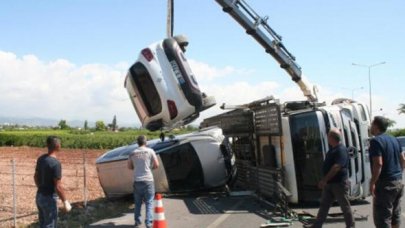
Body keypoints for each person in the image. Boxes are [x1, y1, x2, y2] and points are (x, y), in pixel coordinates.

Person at [304, 128, 354, 228]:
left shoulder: (341, 149)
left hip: (339, 183)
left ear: (331, 138)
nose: (327, 138)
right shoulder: (333, 149)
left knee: (345, 206)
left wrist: (324, 180)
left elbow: (337, 167)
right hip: (330, 184)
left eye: (328, 136)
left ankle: (351, 226)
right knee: (324, 205)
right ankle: (317, 225)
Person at [369, 116, 404, 228]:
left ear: (376, 126)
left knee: (383, 218)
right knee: (395, 216)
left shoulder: (375, 141)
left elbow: (378, 164)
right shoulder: (394, 139)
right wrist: (398, 175)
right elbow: (403, 159)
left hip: (385, 185)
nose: (370, 126)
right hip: (397, 182)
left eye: (372, 124)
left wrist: (372, 182)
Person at [34, 136, 71, 228]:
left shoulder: (41, 159)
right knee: (50, 225)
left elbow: (35, 176)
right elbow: (58, 186)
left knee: (42, 223)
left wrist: (41, 188)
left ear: (47, 145)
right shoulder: (55, 164)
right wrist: (65, 201)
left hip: (39, 196)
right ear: (58, 146)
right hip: (49, 198)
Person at [128, 135, 159, 228]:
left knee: (137, 203)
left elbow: (129, 167)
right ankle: (148, 223)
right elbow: (157, 165)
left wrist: (136, 167)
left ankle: (137, 221)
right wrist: (150, 168)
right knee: (149, 202)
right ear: (146, 142)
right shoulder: (150, 151)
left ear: (137, 143)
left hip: (137, 180)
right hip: (148, 180)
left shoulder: (132, 153)